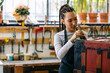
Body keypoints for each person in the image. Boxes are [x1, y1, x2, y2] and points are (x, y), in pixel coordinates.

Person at [54, 4, 87, 73]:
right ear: (63, 21)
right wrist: (72, 39)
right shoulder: (58, 36)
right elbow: (59, 55)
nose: (74, 23)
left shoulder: (83, 34)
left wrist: (86, 40)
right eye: (70, 21)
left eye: (75, 19)